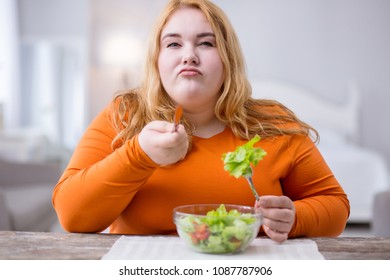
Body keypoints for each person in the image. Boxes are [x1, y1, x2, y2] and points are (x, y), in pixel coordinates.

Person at [52, 0, 349, 242]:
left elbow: (335, 206)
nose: (189, 56)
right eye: (173, 44)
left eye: (206, 43)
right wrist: (139, 155)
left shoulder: (275, 123)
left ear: (227, 59)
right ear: (156, 60)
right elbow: (71, 215)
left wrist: (295, 218)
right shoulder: (124, 115)